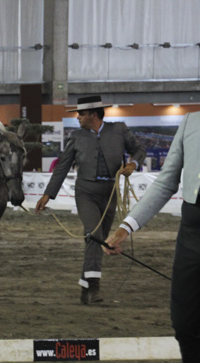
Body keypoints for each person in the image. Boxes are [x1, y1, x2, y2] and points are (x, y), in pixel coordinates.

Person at [105, 60, 200, 363]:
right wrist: (125, 227)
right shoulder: (191, 123)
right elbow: (164, 183)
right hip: (190, 232)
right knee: (184, 322)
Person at [35, 95, 145, 304]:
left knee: (98, 239)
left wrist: (133, 165)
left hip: (111, 192)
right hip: (86, 192)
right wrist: (47, 195)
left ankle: (85, 286)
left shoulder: (119, 130)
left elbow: (139, 150)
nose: (77, 118)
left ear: (93, 115)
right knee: (94, 235)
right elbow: (63, 166)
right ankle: (94, 287)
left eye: (80, 114)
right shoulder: (76, 136)